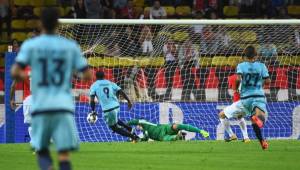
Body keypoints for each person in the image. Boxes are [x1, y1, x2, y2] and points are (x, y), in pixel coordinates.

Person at [11, 8, 92, 170]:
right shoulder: (70, 46)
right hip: (63, 105)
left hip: (40, 104)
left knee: (42, 151)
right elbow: (88, 75)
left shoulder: (31, 45)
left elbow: (14, 71)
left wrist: (27, 77)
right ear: (58, 24)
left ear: (40, 23)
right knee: (63, 154)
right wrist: (72, 74)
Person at [219, 45, 271, 150]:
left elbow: (238, 79)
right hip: (259, 96)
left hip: (246, 98)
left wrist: (238, 88)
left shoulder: (241, 66)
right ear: (256, 55)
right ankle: (258, 128)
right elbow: (268, 81)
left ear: (244, 55)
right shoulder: (262, 66)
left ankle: (262, 142)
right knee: (260, 118)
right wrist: (260, 85)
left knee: (222, 115)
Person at [89, 71, 139, 142]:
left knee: (114, 128)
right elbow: (120, 91)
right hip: (117, 106)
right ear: (104, 76)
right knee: (115, 120)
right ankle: (129, 128)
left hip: (108, 109)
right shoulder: (110, 83)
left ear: (95, 77)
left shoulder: (94, 85)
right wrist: (128, 101)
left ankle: (133, 136)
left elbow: (92, 100)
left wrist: (93, 111)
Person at [218, 73, 250, 143]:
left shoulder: (233, 77)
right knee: (239, 116)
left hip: (240, 103)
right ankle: (246, 137)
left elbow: (235, 85)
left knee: (221, 115)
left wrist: (236, 89)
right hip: (248, 104)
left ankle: (232, 135)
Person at [128, 119, 209, 141]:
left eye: (138, 126)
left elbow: (134, 121)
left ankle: (201, 131)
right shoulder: (145, 133)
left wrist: (124, 124)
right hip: (161, 136)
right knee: (167, 139)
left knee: (176, 126)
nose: (137, 127)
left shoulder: (144, 123)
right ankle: (178, 136)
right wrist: (135, 139)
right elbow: (144, 139)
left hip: (164, 128)